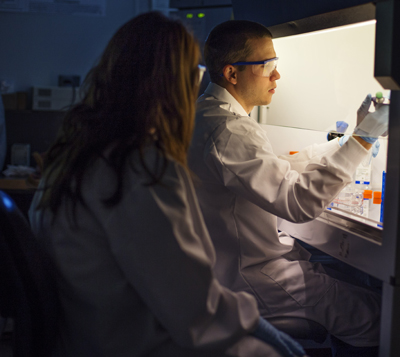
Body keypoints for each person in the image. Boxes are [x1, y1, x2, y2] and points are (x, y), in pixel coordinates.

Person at [28, 12, 306, 357]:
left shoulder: (73, 153)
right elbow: (196, 310)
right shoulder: (141, 167)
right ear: (177, 84)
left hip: (85, 336)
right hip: (135, 343)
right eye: (196, 74)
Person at [188, 19, 388, 356]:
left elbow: (275, 166)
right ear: (232, 74)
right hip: (257, 279)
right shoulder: (229, 131)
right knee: (380, 318)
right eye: (267, 66)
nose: (276, 76)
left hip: (235, 270)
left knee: (357, 287)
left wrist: (350, 140)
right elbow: (298, 202)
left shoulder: (210, 116)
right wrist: (362, 140)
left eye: (275, 65)